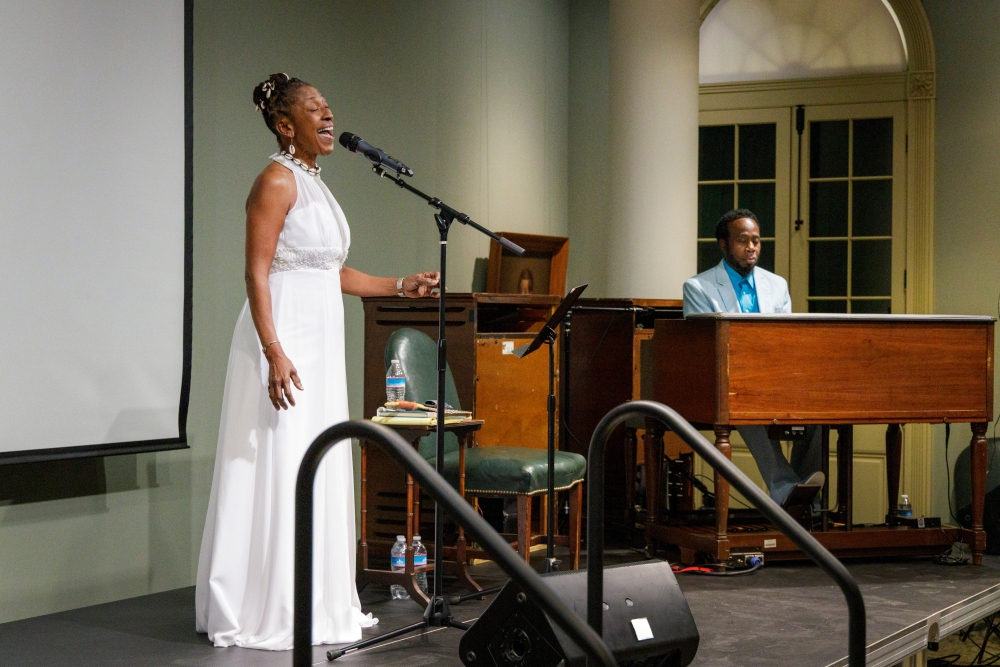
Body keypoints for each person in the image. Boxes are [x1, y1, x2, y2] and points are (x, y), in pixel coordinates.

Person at [195, 73, 439, 651]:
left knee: (321, 454)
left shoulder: (314, 182)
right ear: (285, 125)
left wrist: (397, 284)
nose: (328, 117)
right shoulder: (275, 181)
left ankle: (319, 597)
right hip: (285, 338)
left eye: (329, 107)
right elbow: (258, 270)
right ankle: (270, 602)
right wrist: (273, 349)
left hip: (321, 338)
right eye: (314, 109)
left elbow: (328, 271)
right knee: (282, 456)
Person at [682, 209, 823, 506]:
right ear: (723, 244)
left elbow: (786, 341)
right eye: (743, 240)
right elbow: (702, 348)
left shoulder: (777, 285)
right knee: (741, 400)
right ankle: (784, 486)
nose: (751, 247)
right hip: (724, 382)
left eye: (756, 241)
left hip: (773, 378)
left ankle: (804, 500)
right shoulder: (698, 287)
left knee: (818, 410)